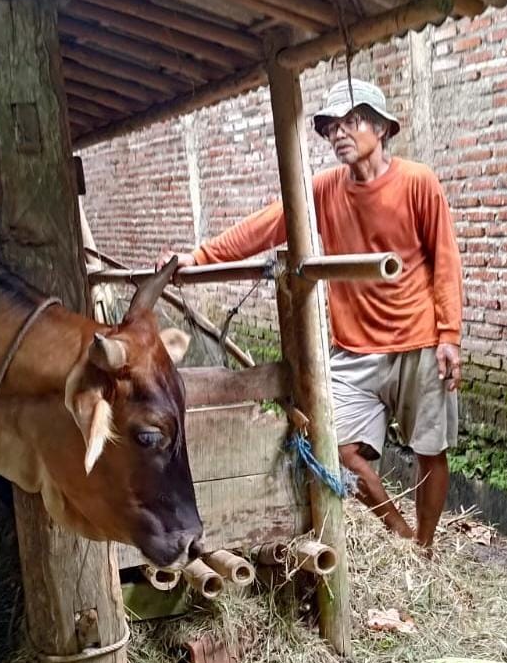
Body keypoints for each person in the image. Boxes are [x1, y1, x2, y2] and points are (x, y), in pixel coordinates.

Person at [162, 78, 464, 551]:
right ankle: (399, 532)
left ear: (381, 128)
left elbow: (444, 259)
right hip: (354, 347)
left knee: (430, 448)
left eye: (351, 122)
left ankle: (426, 547)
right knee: (335, 447)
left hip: (419, 339)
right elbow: (261, 228)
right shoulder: (323, 190)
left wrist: (449, 334)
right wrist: (198, 259)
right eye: (330, 127)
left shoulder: (416, 181)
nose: (339, 134)